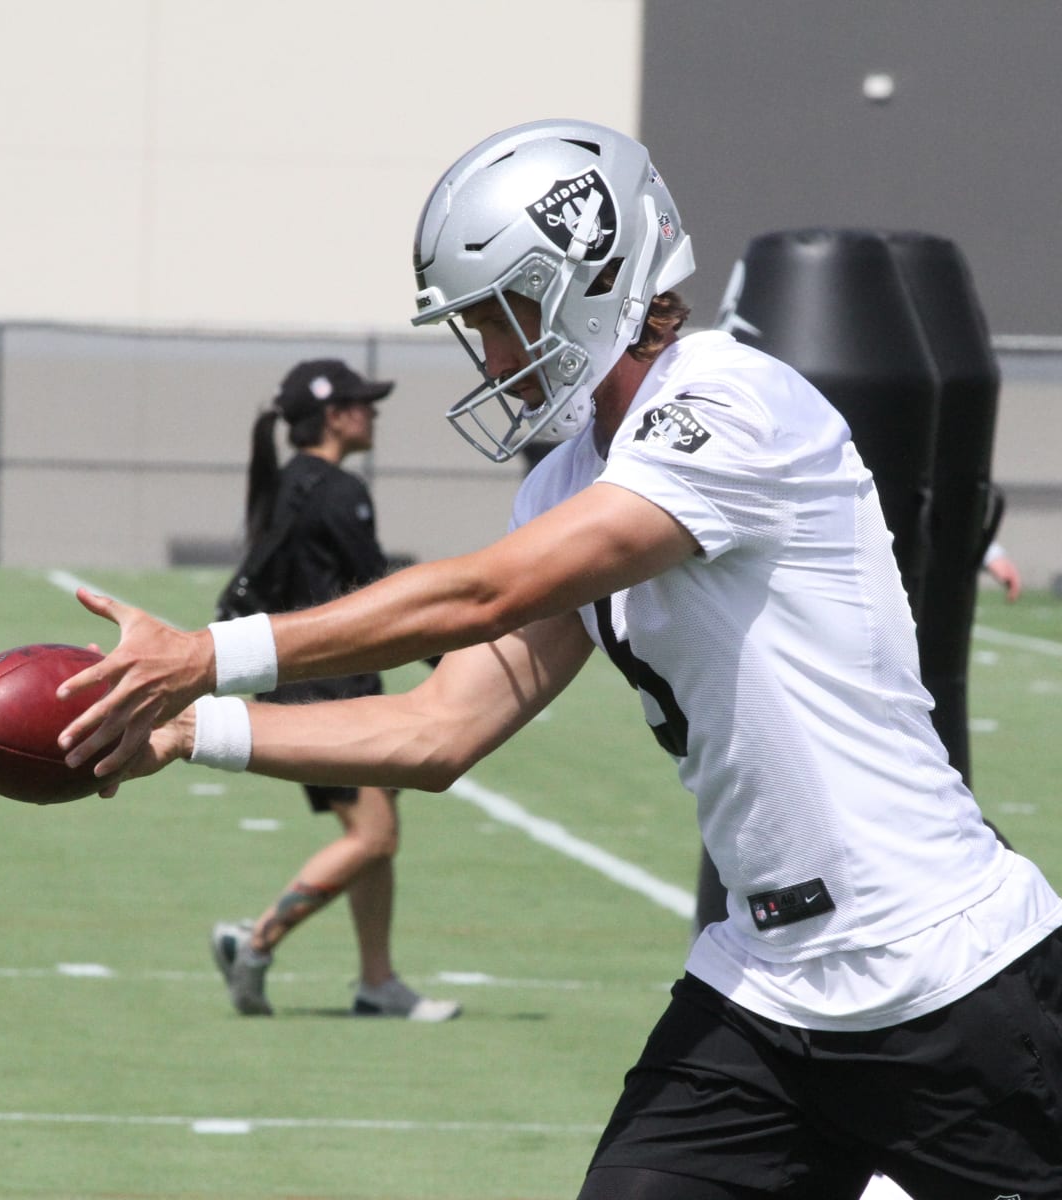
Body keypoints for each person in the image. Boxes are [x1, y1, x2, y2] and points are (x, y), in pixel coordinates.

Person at [57, 120, 1062, 1198]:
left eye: (504, 314)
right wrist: (183, 732)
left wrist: (209, 655)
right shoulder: (567, 479)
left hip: (948, 973)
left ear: (598, 277)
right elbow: (434, 731)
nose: (492, 355)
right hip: (765, 991)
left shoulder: (732, 400)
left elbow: (487, 590)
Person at [206, 359, 459, 1022]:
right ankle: (254, 941)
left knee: (377, 829)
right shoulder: (336, 491)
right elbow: (380, 595)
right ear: (334, 415)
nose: (372, 413)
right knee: (373, 836)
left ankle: (377, 982)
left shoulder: (293, 484)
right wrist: (449, 662)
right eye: (362, 403)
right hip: (330, 692)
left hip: (307, 684)